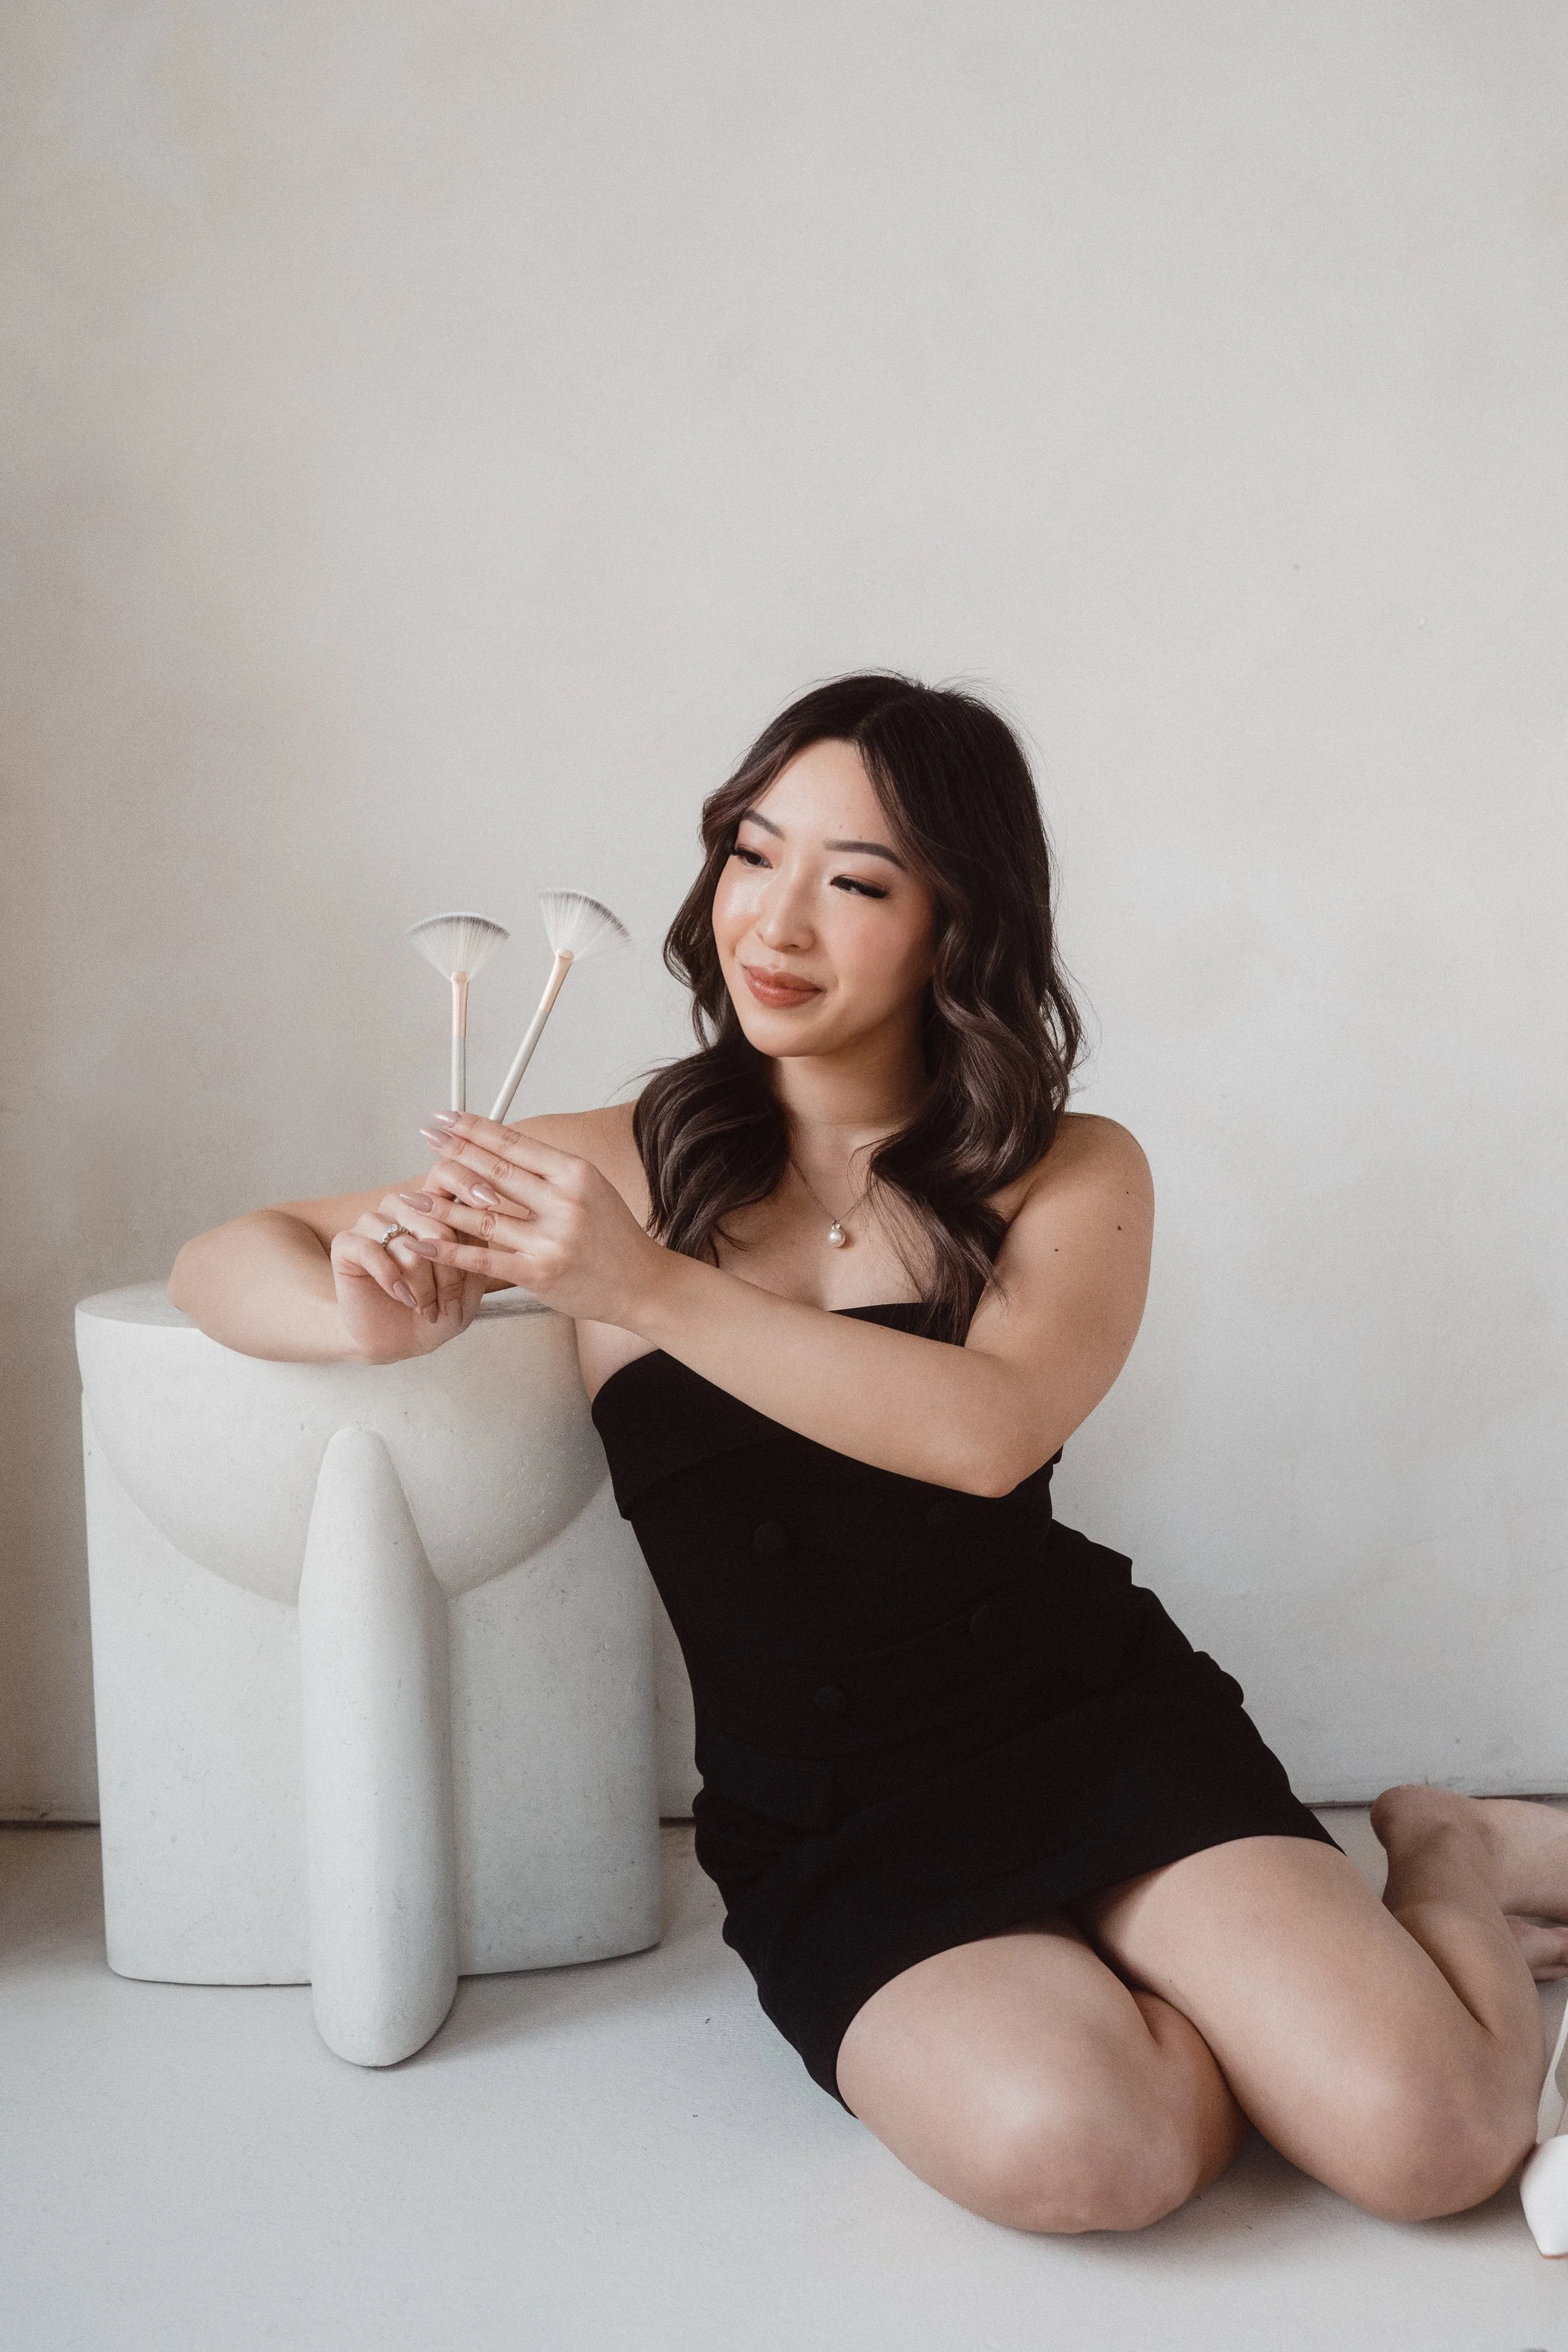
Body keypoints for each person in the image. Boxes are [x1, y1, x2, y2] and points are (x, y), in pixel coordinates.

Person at [171, 672, 1567, 2236]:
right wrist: (366, 1315)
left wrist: (639, 1288)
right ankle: (1196, 1985)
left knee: (1433, 2142)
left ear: (955, 926)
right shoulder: (616, 1162)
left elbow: (988, 1436)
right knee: (1089, 2157)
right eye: (752, 856)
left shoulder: (1063, 1170)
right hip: (832, 1806)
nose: (774, 924)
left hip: (1086, 1721)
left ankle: (1442, 1849)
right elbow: (223, 1255)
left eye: (853, 883)